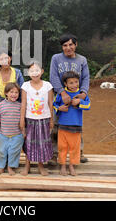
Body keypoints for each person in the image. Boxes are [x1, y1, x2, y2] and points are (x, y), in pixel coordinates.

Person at [49, 34, 90, 164]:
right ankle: (54, 153)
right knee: (57, 125)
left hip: (77, 97)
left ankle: (79, 152)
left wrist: (83, 93)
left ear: (75, 45)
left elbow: (86, 77)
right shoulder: (56, 58)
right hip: (61, 97)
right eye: (65, 45)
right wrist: (62, 93)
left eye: (71, 44)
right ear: (62, 47)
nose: (68, 48)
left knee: (76, 124)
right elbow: (53, 76)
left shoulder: (82, 60)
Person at [0, 51, 24, 166]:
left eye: (6, 58)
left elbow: (22, 90)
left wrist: (22, 106)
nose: (4, 60)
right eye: (1, 58)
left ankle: (11, 158)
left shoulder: (17, 72)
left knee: (13, 130)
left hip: (14, 105)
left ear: (10, 58)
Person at [53, 71, 91, 176]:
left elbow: (88, 106)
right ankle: (63, 165)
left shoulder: (82, 95)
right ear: (65, 84)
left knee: (74, 148)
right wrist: (59, 108)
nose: (74, 85)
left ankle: (71, 166)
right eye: (71, 83)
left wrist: (80, 102)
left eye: (76, 82)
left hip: (76, 125)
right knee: (62, 147)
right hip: (63, 126)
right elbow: (54, 105)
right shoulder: (61, 95)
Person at [20, 62, 54, 176]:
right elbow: (23, 104)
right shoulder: (25, 85)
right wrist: (21, 120)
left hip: (44, 119)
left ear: (42, 71)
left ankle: (40, 165)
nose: (35, 73)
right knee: (29, 142)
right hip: (30, 119)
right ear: (28, 73)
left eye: (37, 70)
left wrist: (52, 120)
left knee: (41, 143)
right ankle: (27, 165)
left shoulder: (48, 85)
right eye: (32, 71)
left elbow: (50, 103)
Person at [0, 82, 24, 176]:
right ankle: (1, 168)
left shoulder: (20, 106)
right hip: (2, 135)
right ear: (6, 93)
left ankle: (10, 167)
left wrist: (23, 132)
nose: (14, 94)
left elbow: (23, 120)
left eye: (16, 92)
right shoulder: (0, 105)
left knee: (14, 152)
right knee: (1, 152)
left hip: (16, 135)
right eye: (11, 92)